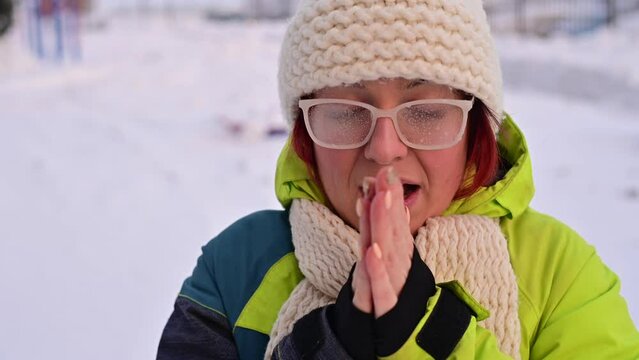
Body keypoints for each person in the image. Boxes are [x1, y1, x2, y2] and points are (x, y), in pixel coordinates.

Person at [157, 0, 639, 358]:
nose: (384, 149)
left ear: (474, 128)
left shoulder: (561, 276)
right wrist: (334, 344)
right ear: (306, 132)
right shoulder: (234, 270)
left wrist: (420, 330)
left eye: (426, 111)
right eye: (346, 111)